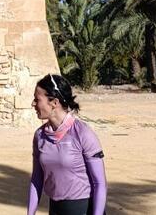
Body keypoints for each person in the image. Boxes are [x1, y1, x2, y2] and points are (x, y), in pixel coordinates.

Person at [28, 74, 107, 215]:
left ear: (54, 102)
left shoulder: (82, 133)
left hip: (84, 209)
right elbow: (36, 179)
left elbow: (99, 183)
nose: (33, 104)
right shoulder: (39, 136)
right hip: (55, 209)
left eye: (37, 99)